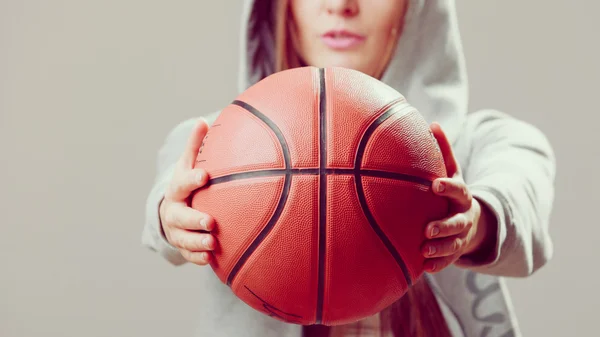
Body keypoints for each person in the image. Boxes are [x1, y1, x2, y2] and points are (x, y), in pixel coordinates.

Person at [142, 0, 556, 336]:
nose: (341, 5)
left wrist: (474, 221)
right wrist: (172, 214)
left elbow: (521, 195)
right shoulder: (218, 144)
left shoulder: (482, 143)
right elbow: (170, 188)